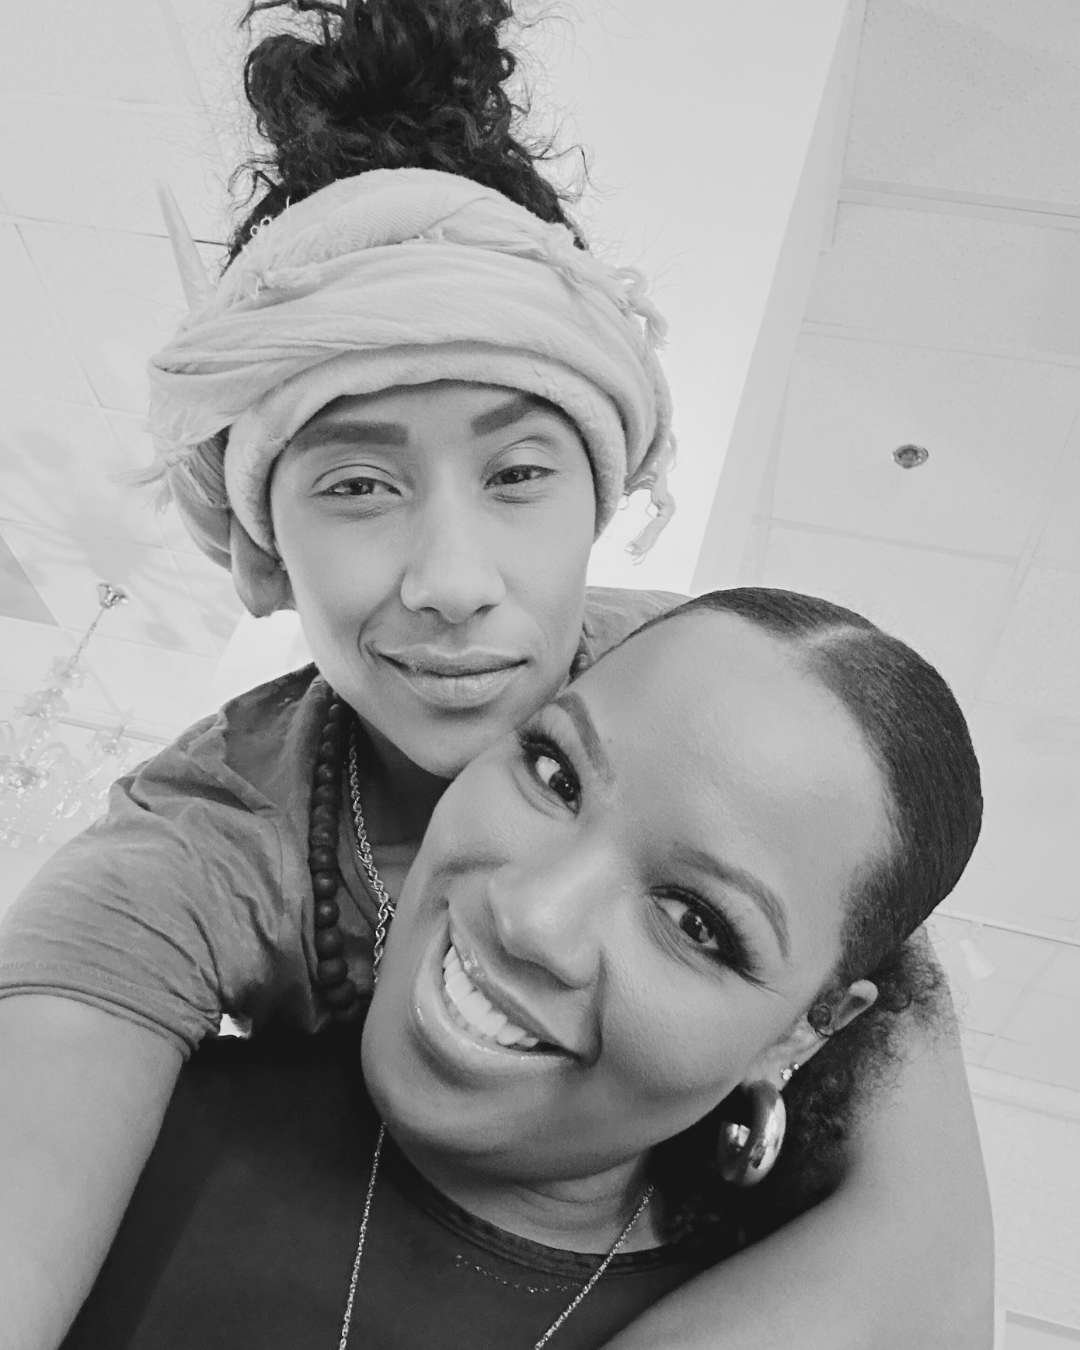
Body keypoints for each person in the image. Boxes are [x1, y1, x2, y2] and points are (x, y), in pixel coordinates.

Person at [0, 3, 993, 1349]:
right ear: (260, 536)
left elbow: (921, 1269)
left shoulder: (737, 704)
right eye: (357, 482)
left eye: (520, 471)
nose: (452, 577)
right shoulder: (198, 837)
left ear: (605, 486)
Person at [62, 588, 983, 1350]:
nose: (534, 916)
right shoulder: (118, 1112)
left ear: (805, 1027)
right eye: (555, 773)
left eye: (695, 921)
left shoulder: (802, 1315)